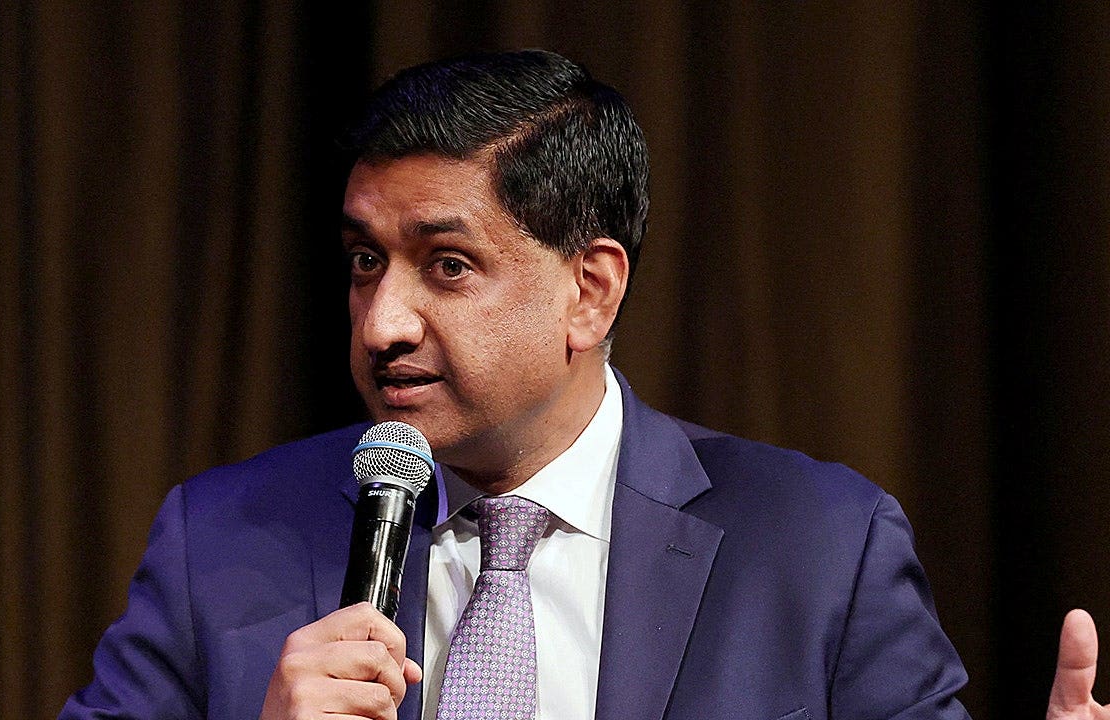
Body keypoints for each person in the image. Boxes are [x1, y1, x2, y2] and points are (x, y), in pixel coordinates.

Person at [60, 50, 1105, 720]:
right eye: (365, 261)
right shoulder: (218, 542)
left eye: (447, 266)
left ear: (589, 291)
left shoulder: (822, 549)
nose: (381, 324)